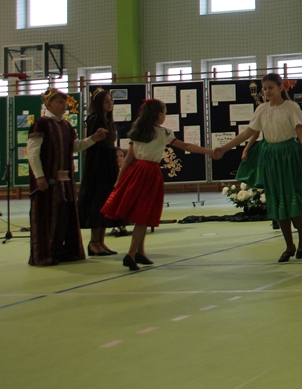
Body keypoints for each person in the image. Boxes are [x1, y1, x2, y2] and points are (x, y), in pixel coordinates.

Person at [103, 99, 217, 271]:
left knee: (141, 212)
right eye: (164, 113)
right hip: (149, 173)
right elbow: (185, 146)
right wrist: (209, 151)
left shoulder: (138, 131)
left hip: (135, 171)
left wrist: (120, 178)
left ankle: (140, 252)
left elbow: (128, 159)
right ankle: (131, 254)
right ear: (158, 115)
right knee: (143, 215)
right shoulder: (163, 133)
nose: (165, 116)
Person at [214, 74, 302, 262]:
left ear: (280, 88)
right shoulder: (261, 109)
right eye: (264, 88)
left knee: (292, 198)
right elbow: (248, 133)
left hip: (289, 155)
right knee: (277, 201)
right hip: (270, 157)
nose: (267, 91)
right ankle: (289, 245)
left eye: (271, 87)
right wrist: (224, 148)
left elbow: (301, 133)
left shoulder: (291, 107)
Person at [26, 88, 107, 267]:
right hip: (48, 181)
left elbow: (76, 147)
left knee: (64, 216)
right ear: (49, 104)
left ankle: (60, 250)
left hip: (65, 181)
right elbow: (33, 153)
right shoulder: (41, 124)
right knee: (47, 216)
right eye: (60, 102)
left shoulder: (66, 125)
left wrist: (93, 138)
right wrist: (40, 176)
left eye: (65, 102)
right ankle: (46, 253)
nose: (64, 105)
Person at [78, 88, 121, 256]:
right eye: (106, 101)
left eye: (111, 101)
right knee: (97, 202)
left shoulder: (108, 120)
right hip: (98, 165)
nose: (110, 104)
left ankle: (101, 241)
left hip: (108, 163)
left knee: (105, 202)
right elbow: (92, 144)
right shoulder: (95, 119)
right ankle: (94, 242)